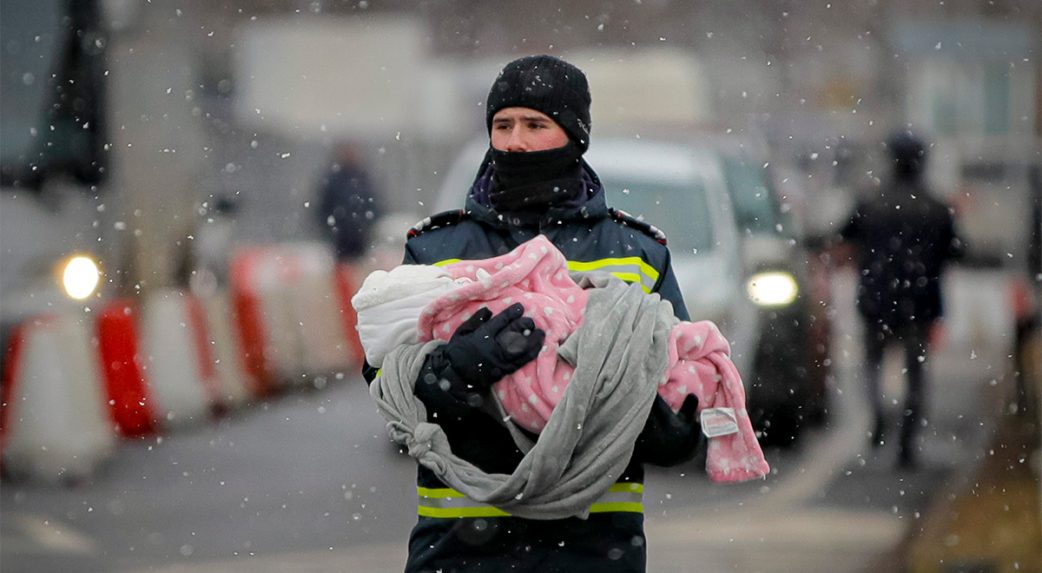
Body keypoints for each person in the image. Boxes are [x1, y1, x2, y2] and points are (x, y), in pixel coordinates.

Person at [363, 55, 705, 573]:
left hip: (596, 548)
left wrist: (628, 405)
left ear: (574, 135)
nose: (516, 142)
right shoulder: (437, 250)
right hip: (460, 544)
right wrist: (454, 372)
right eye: (503, 125)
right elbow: (387, 390)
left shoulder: (636, 254)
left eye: (535, 125)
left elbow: (685, 412)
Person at [839, 129, 964, 469]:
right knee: (916, 375)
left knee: (872, 367)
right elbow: (957, 251)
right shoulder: (937, 208)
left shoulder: (871, 203)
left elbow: (843, 235)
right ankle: (907, 440)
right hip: (920, 303)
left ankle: (878, 414)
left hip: (877, 300)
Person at [316, 142, 382, 262]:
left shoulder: (363, 178)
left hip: (360, 236)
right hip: (339, 237)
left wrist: (367, 224)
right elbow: (323, 207)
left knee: (359, 268)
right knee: (343, 268)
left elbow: (374, 205)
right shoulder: (334, 180)